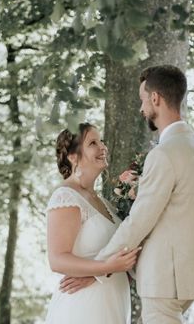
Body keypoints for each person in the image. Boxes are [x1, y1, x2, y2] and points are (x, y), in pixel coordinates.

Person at [60, 65, 194, 324]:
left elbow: (139, 221)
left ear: (155, 98)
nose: (141, 108)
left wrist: (99, 270)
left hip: (164, 276)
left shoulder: (165, 153)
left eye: (143, 100)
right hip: (189, 274)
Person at [44, 123, 140, 324]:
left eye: (102, 141)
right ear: (73, 156)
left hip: (113, 304)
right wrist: (105, 266)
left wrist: (100, 271)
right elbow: (57, 259)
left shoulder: (103, 203)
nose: (103, 147)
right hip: (84, 308)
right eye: (93, 143)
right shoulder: (66, 197)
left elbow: (119, 258)